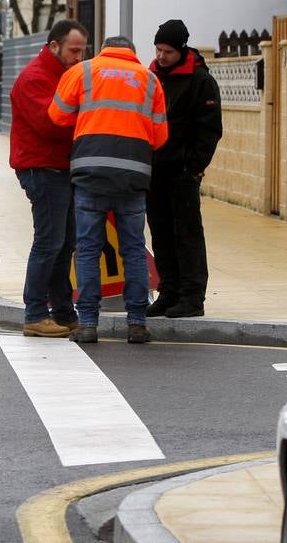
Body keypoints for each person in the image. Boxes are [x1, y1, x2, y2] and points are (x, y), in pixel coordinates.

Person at [49, 35, 167, 344]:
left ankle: (88, 323)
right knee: (133, 250)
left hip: (90, 174)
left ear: (103, 50)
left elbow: (56, 115)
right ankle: (137, 322)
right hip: (133, 176)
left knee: (87, 249)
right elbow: (160, 135)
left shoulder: (83, 72)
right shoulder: (150, 80)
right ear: (132, 53)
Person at [9, 19, 89, 337]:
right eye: (74, 50)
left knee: (65, 243)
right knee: (49, 242)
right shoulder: (35, 78)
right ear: (54, 46)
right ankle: (35, 313)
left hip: (62, 169)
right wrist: (87, 120)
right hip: (43, 169)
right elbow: (50, 124)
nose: (79, 57)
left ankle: (63, 311)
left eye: (83, 51)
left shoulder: (65, 76)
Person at [145, 19, 223, 319]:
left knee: (186, 234)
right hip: (155, 170)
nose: (162, 56)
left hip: (182, 172)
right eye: (159, 49)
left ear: (181, 49)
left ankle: (192, 297)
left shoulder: (200, 81)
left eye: (167, 51)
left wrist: (193, 168)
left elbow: (210, 129)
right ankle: (168, 291)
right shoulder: (152, 77)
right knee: (161, 233)